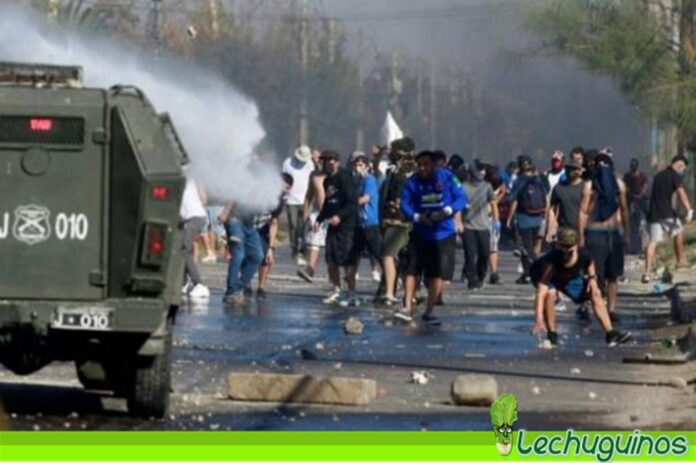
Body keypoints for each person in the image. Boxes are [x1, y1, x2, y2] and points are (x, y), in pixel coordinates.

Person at [394, 150, 467, 326]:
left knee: (436, 273)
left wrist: (446, 212)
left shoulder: (448, 177)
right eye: (419, 165)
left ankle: (429, 310)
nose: (422, 168)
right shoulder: (413, 180)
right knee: (411, 269)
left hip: (443, 232)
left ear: (435, 164)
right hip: (420, 230)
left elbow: (461, 198)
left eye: (426, 164)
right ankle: (407, 307)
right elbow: (405, 203)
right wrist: (417, 217)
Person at [531, 228, 631, 347]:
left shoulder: (583, 254)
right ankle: (552, 336)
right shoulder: (551, 262)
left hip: (567, 278)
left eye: (570, 247)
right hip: (544, 277)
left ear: (576, 246)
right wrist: (538, 319)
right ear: (558, 246)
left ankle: (611, 334)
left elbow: (590, 263)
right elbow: (541, 293)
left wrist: (592, 280)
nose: (566, 251)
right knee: (550, 294)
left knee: (595, 293)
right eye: (563, 247)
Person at [578, 152, 630, 321]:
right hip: (611, 233)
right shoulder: (618, 184)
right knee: (611, 275)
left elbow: (583, 213)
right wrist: (627, 234)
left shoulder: (589, 185)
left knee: (595, 274)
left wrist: (580, 236)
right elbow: (624, 210)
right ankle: (610, 309)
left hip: (596, 233)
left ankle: (592, 305)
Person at [314, 150, 359, 307]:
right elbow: (327, 203)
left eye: (333, 160)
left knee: (348, 260)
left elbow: (353, 203)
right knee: (331, 258)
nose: (330, 163)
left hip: (348, 226)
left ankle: (352, 293)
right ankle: (337, 290)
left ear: (337, 162)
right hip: (332, 226)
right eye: (327, 161)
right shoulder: (327, 181)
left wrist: (340, 217)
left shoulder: (345, 178)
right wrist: (319, 219)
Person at [643, 154, 694, 282]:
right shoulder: (674, 175)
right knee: (679, 231)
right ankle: (679, 261)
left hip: (654, 214)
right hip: (667, 215)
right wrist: (689, 209)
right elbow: (681, 193)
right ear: (680, 164)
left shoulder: (658, 175)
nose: (682, 172)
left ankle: (647, 272)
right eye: (683, 169)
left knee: (653, 241)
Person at [378, 138, 416, 306]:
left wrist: (392, 212)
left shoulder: (406, 171)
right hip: (396, 218)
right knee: (403, 258)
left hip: (398, 220)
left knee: (388, 255)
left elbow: (398, 196)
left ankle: (390, 292)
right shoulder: (396, 170)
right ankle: (405, 292)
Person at [507, 156, 549, 284]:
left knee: (526, 248)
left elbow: (513, 200)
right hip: (538, 217)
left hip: (523, 218)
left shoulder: (520, 180)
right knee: (535, 247)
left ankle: (532, 272)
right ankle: (530, 272)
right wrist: (546, 216)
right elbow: (546, 198)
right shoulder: (541, 179)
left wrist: (509, 217)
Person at [219, 202, 264, 306]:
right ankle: (231, 291)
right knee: (238, 253)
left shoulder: (275, 197)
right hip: (235, 219)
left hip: (249, 224)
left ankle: (237, 287)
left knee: (258, 256)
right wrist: (225, 212)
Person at [255, 174, 292, 299]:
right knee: (249, 255)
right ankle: (245, 284)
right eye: (282, 187)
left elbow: (274, 222)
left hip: (264, 227)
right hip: (249, 225)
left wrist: (271, 246)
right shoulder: (261, 193)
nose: (283, 191)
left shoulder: (280, 200)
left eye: (287, 188)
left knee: (266, 256)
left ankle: (261, 286)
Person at [462, 166, 497, 290]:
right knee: (470, 255)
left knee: (484, 253)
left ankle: (481, 276)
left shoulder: (487, 186)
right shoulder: (464, 187)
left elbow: (493, 203)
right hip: (468, 225)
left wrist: (495, 220)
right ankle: (472, 280)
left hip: (484, 226)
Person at [351, 152, 383, 286]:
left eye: (360, 165)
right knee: (353, 254)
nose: (358, 168)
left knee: (378, 253)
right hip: (359, 223)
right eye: (355, 165)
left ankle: (394, 276)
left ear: (367, 167)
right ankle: (350, 281)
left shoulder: (369, 179)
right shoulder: (358, 182)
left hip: (370, 223)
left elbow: (366, 198)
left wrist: (348, 203)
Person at [282, 145, 315, 265]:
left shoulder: (310, 164)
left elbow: (313, 180)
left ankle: (304, 250)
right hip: (291, 199)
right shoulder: (287, 163)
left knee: (305, 226)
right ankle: (294, 249)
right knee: (293, 226)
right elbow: (284, 179)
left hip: (306, 198)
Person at [180, 173, 211, 300]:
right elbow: (204, 198)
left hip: (193, 217)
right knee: (178, 250)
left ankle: (200, 284)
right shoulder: (190, 175)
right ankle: (183, 283)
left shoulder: (182, 176)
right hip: (191, 217)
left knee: (182, 251)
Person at [297, 156, 328, 283]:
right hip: (317, 212)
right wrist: (305, 212)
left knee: (335, 244)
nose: (318, 164)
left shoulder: (335, 175)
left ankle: (344, 274)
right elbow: (309, 194)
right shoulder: (314, 175)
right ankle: (310, 269)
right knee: (314, 241)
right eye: (316, 161)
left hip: (332, 213)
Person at [547, 159, 584, 236]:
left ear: (580, 171)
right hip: (563, 229)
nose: (571, 171)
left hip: (582, 230)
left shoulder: (585, 187)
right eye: (569, 169)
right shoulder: (558, 188)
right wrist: (550, 229)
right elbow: (552, 209)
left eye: (574, 169)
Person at [623, 158, 650, 255]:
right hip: (631, 199)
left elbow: (645, 186)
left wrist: (641, 194)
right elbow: (625, 186)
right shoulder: (627, 176)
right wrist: (631, 194)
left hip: (641, 199)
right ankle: (631, 246)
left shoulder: (642, 175)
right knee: (632, 221)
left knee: (646, 218)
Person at [485, 164, 506, 284]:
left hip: (491, 217)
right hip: (485, 217)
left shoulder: (499, 183)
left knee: (493, 247)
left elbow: (494, 203)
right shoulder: (484, 186)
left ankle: (493, 272)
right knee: (485, 248)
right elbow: (491, 203)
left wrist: (500, 195)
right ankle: (474, 271)